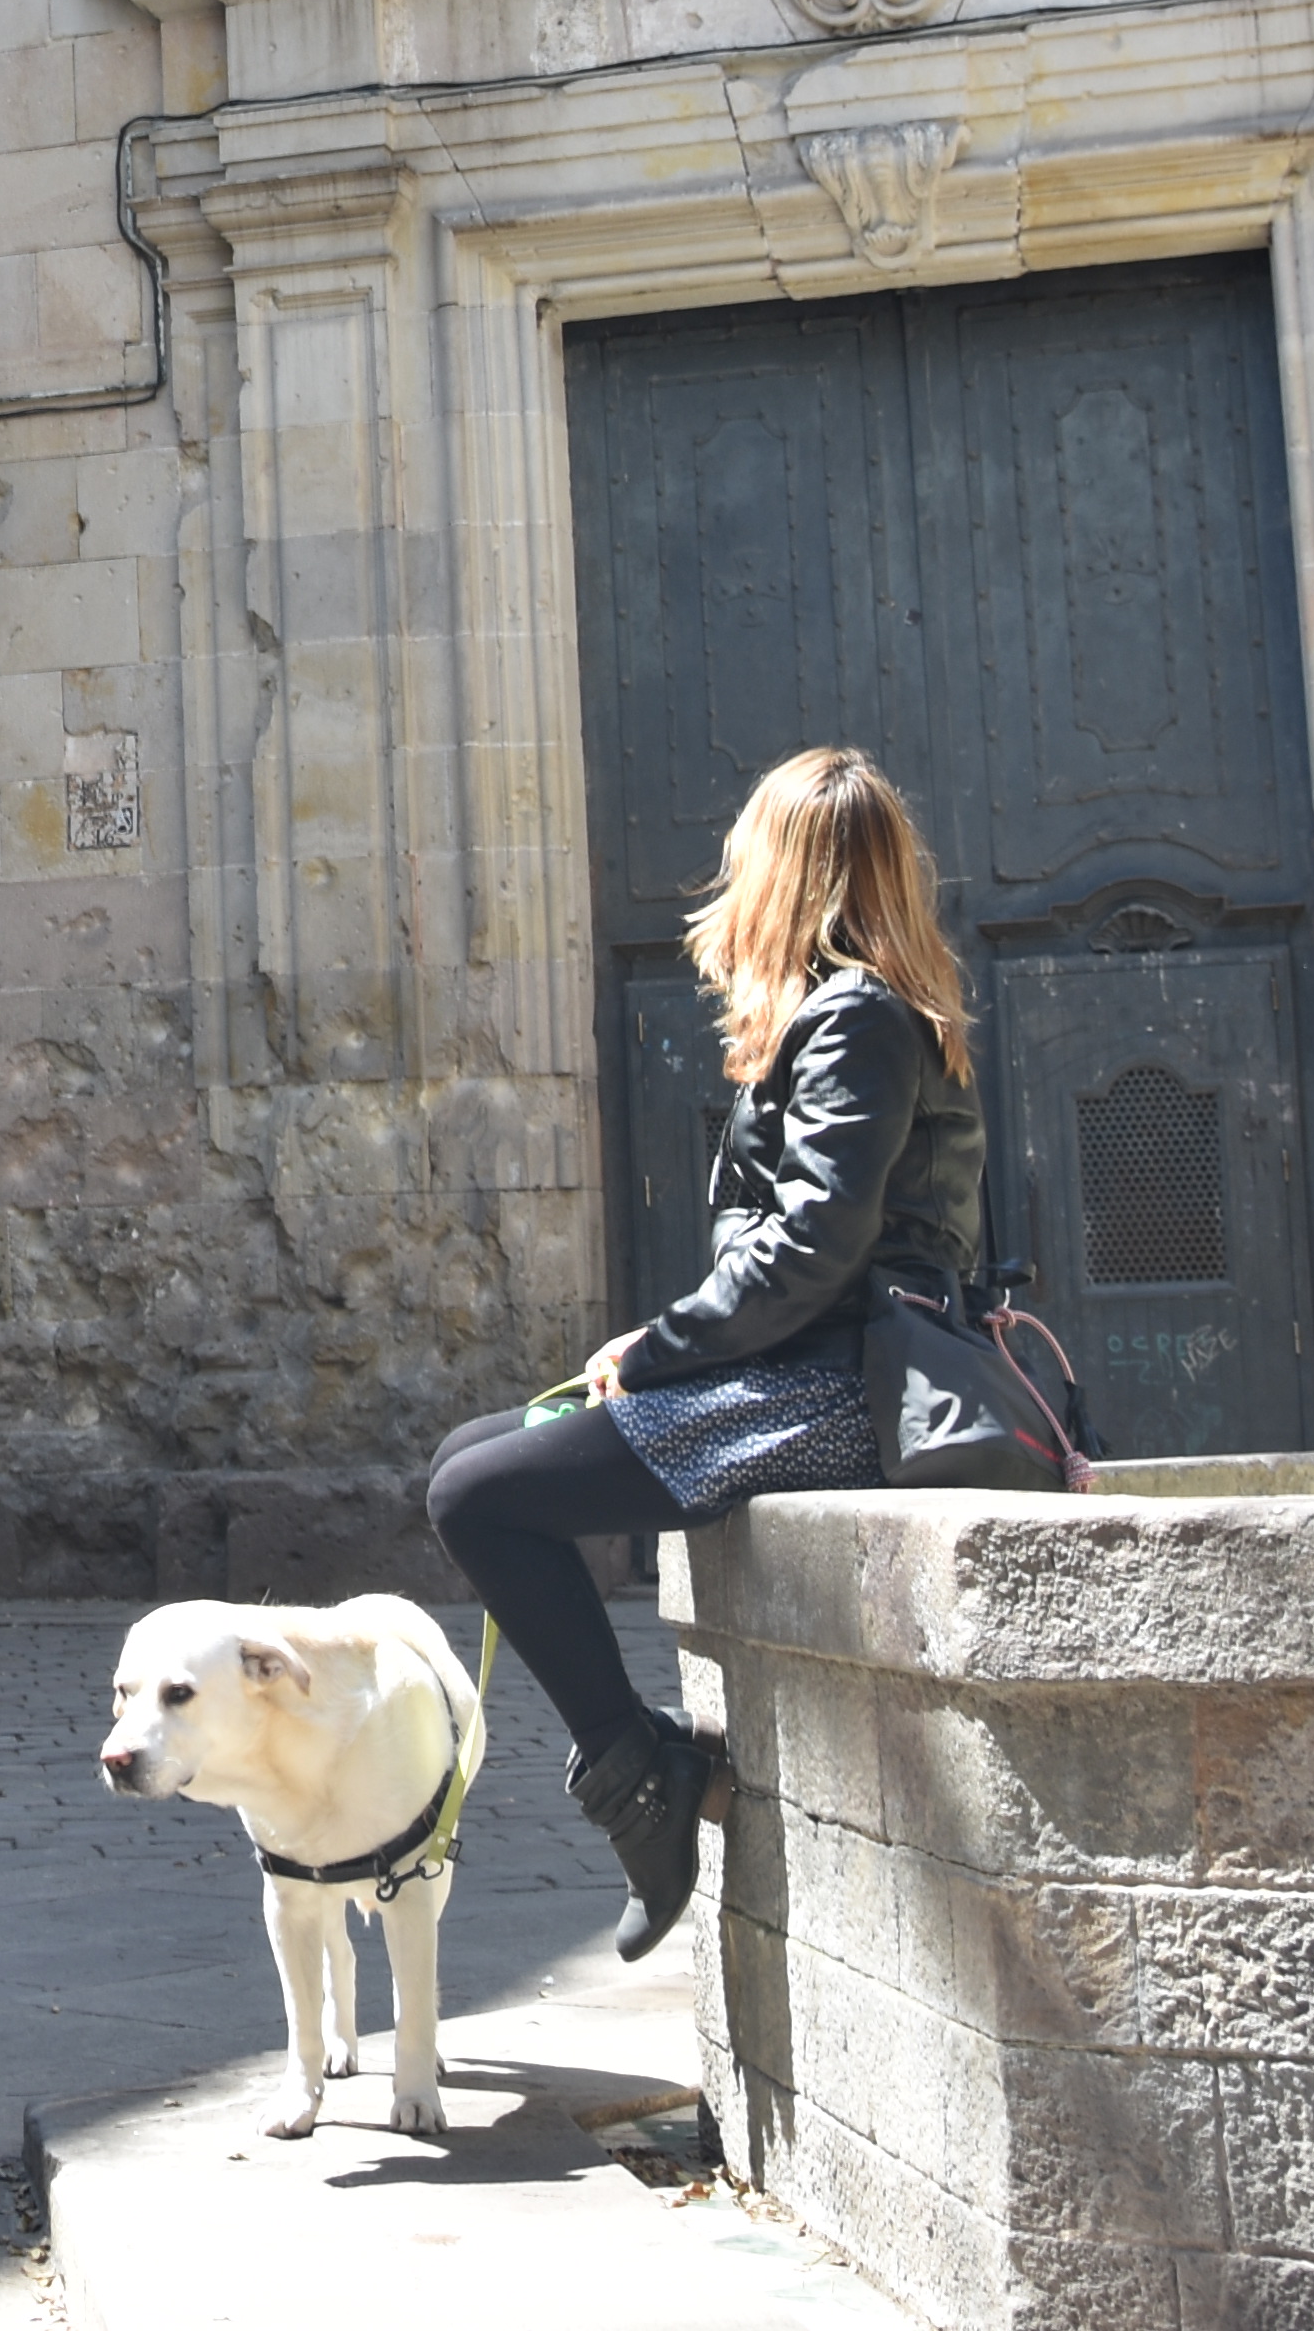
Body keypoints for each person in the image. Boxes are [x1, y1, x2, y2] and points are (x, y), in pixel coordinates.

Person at [420, 743, 985, 1958]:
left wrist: (660, 1350)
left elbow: (816, 1247)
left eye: (747, 860)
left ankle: (644, 1784)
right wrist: (669, 1346)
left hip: (838, 1395)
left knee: (476, 1494)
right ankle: (644, 1764)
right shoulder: (856, 1012)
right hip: (802, 1371)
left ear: (787, 874)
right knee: (470, 1457)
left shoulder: (856, 1018)